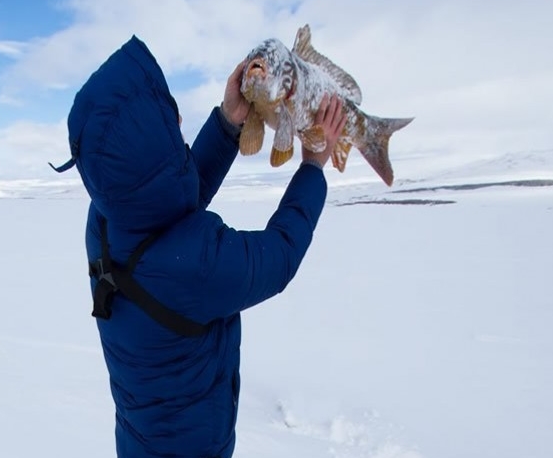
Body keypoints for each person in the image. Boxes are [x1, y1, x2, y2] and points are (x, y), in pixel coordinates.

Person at [60, 35, 344, 458]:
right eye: (168, 117)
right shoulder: (194, 267)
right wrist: (313, 167)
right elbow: (279, 255)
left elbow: (167, 196)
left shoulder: (104, 219)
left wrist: (229, 122)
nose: (176, 121)